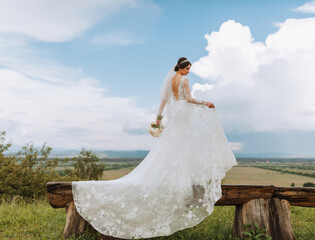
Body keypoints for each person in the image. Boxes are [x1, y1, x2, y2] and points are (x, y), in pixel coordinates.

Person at [72, 57, 237, 239]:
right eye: (188, 68)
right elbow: (189, 98)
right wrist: (205, 103)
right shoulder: (184, 80)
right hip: (184, 114)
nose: (189, 71)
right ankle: (181, 180)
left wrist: (158, 118)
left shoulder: (170, 80)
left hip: (175, 114)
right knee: (183, 145)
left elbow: (164, 101)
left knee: (172, 146)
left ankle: (176, 178)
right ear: (182, 68)